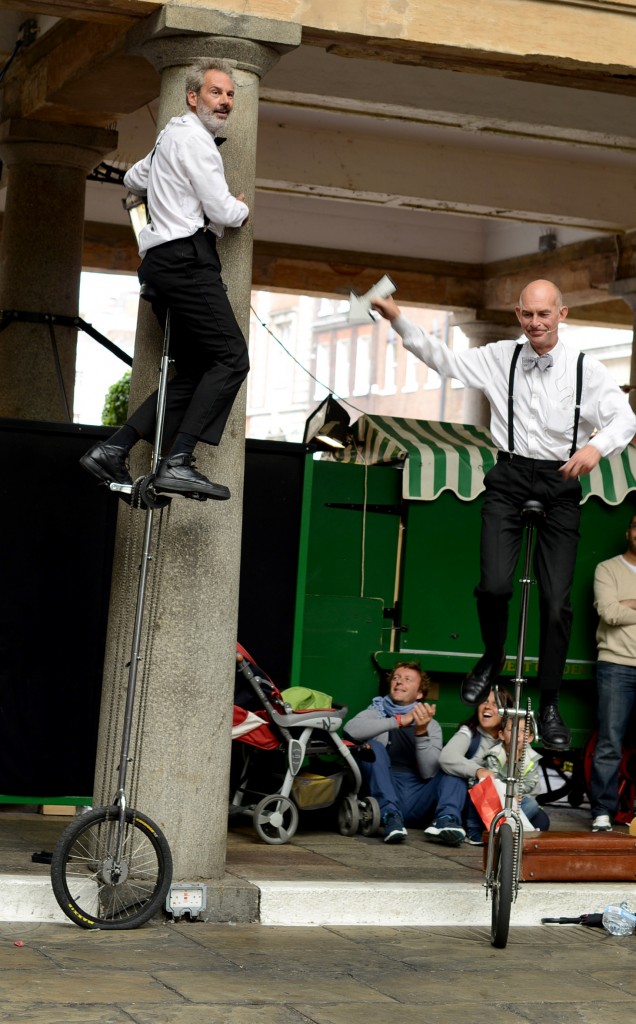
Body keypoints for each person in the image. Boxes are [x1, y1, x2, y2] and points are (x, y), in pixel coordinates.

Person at [372, 281, 636, 750]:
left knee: (557, 602)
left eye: (544, 314)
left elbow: (625, 418)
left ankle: (549, 702)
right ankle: (491, 656)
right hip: (509, 475)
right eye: (528, 314)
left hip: (561, 482)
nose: (536, 323)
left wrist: (597, 446)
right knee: (494, 583)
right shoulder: (499, 357)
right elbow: (443, 358)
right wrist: (396, 316)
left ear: (562, 313)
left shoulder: (584, 368)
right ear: (518, 314)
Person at [80, 58, 250, 500]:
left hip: (162, 263)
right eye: (216, 92)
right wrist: (241, 206)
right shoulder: (196, 141)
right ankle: (179, 461)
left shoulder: (168, 138)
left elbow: (134, 178)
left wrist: (167, 181)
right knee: (232, 358)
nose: (226, 101)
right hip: (186, 261)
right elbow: (222, 212)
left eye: (230, 94)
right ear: (193, 97)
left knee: (196, 370)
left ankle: (112, 450)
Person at [344, 662, 443, 843]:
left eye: (407, 679)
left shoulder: (432, 725)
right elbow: (350, 730)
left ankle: (446, 822)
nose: (399, 682)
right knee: (373, 748)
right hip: (383, 789)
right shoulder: (377, 711)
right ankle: (391, 816)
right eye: (396, 678)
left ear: (419, 693)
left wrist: (421, 732)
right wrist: (398, 721)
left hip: (417, 796)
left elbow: (429, 772)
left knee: (450, 768)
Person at [589, 513, 636, 832]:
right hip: (616, 664)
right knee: (609, 742)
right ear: (628, 532)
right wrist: (620, 607)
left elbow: (620, 611)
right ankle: (602, 811)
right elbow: (608, 611)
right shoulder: (607, 568)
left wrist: (630, 605)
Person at [424, 688, 510, 846]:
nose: (487, 707)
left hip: (494, 806)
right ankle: (446, 820)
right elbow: (446, 757)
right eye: (484, 702)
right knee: (453, 773)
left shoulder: (511, 738)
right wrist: (479, 771)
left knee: (541, 819)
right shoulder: (469, 733)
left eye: (495, 704)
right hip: (464, 804)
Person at [466, 715, 549, 845]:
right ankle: (474, 830)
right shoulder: (495, 754)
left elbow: (529, 783)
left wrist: (515, 794)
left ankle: (505, 828)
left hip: (515, 798)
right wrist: (507, 793)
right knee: (477, 787)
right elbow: (492, 781)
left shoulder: (531, 758)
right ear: (502, 735)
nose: (517, 735)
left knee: (532, 805)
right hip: (494, 796)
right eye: (511, 730)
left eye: (523, 731)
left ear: (530, 738)